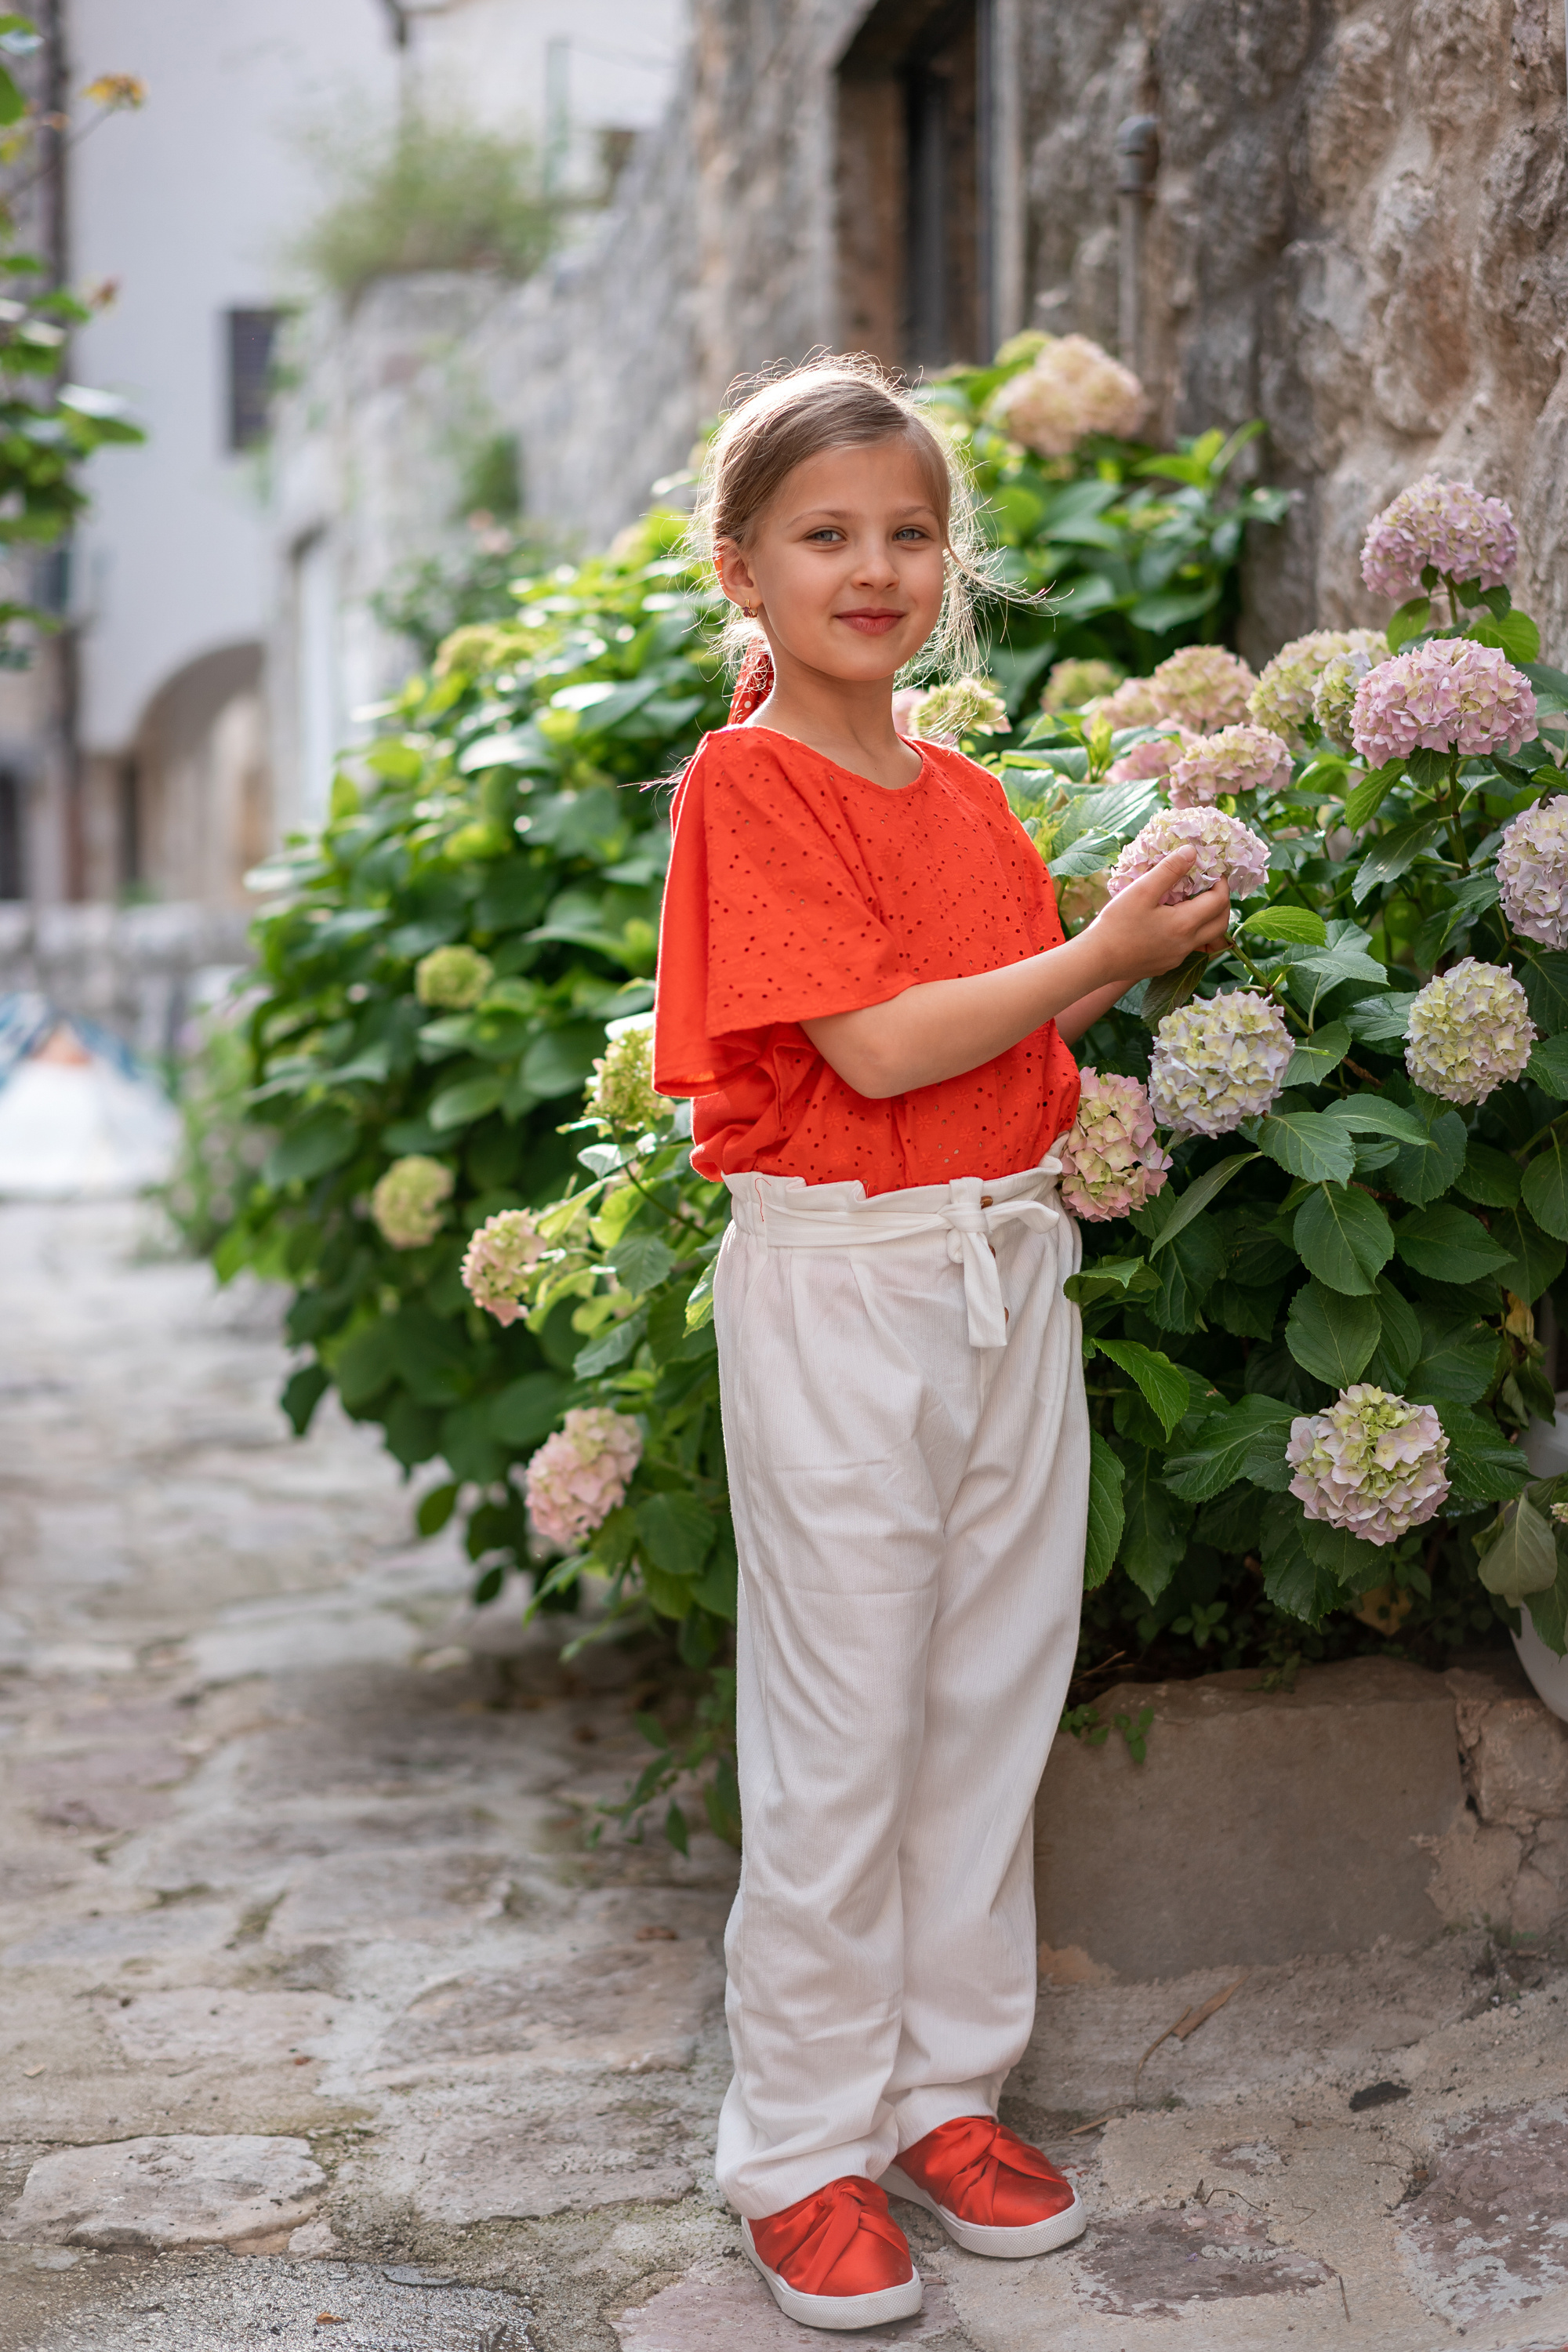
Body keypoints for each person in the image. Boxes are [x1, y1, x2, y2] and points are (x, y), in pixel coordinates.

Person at [652, 355, 1228, 2332]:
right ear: (744, 569)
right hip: (841, 1287)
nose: (874, 567)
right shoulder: (748, 786)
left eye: (908, 531)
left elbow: (989, 1029)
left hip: (1001, 1276)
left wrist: (1110, 926)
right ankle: (801, 2147)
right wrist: (1099, 958)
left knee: (991, 1691)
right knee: (842, 1729)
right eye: (826, 534)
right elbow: (882, 1048)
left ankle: (939, 2094)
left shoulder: (969, 799)